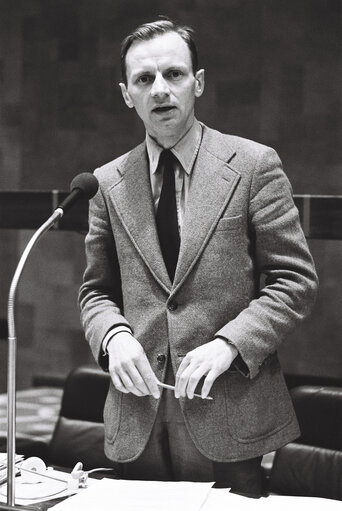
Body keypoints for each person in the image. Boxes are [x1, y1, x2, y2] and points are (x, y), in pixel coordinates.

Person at [79, 18, 318, 496]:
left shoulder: (253, 165)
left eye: (174, 74)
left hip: (228, 410)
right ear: (127, 94)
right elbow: (96, 291)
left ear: (198, 82)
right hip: (137, 415)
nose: (160, 90)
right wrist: (112, 336)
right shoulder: (106, 183)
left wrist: (230, 343)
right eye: (145, 80)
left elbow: (294, 281)